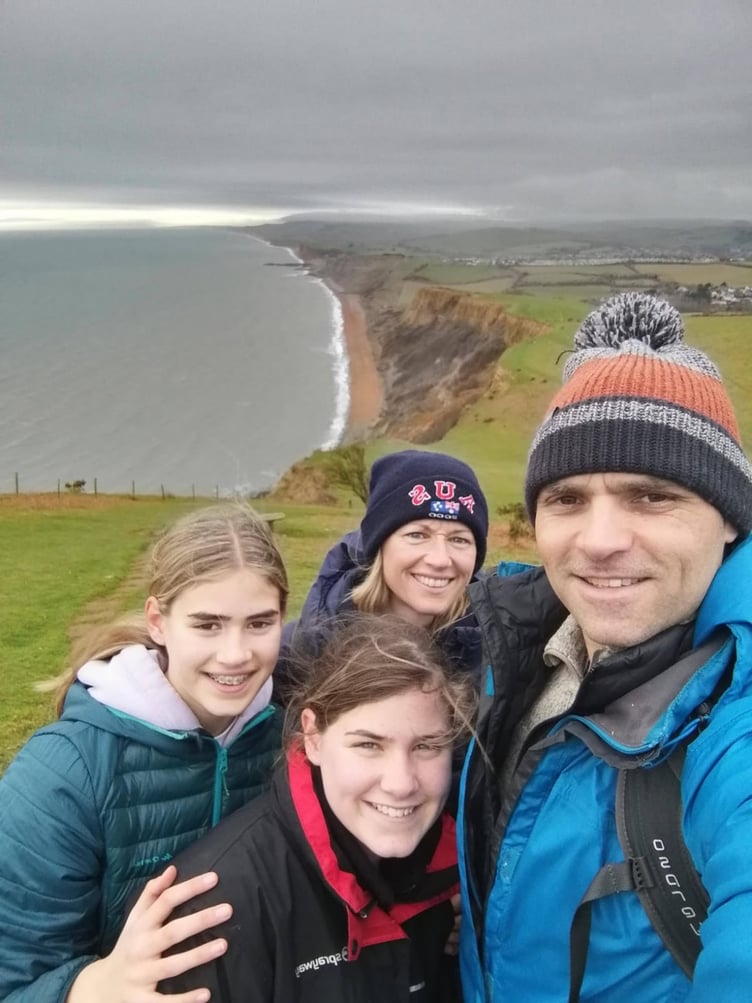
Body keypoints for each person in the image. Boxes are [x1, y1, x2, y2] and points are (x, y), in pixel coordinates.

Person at [458, 292, 752, 1001]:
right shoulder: (523, 648)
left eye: (651, 496)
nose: (599, 540)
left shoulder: (734, 731)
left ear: (729, 521)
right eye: (566, 498)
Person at [0, 503, 288, 1003]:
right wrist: (90, 988)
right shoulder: (63, 776)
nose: (236, 654)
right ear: (158, 621)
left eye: (259, 624)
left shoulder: (292, 741)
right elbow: (14, 979)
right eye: (208, 625)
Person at [158, 613, 477, 1002]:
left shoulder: (460, 884)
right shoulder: (214, 912)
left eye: (426, 746)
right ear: (312, 737)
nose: (401, 783)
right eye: (368, 745)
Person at [276, 449, 489, 697]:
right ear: (379, 547)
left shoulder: (497, 650)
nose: (440, 559)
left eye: (459, 540)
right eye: (417, 535)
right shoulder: (298, 653)